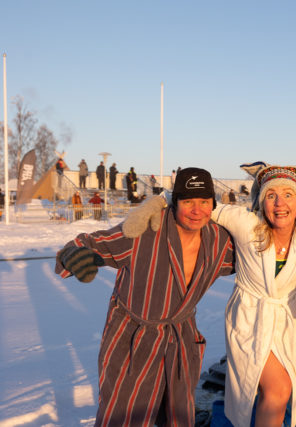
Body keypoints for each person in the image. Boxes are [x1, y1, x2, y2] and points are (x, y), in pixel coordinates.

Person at [122, 162, 296, 427]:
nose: (280, 203)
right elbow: (201, 204)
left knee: (283, 388)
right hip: (251, 318)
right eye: (271, 195)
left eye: (288, 195)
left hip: (289, 319)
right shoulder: (246, 224)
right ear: (261, 201)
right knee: (278, 389)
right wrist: (154, 204)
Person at [55, 167, 235, 426]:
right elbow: (88, 244)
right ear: (175, 202)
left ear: (213, 204)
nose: (197, 210)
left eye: (204, 202)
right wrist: (74, 256)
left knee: (178, 415)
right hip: (132, 339)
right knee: (122, 415)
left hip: (180, 339)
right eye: (188, 202)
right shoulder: (144, 229)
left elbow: (259, 256)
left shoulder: (218, 242)